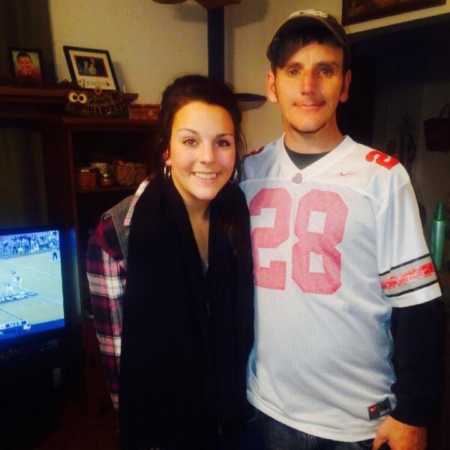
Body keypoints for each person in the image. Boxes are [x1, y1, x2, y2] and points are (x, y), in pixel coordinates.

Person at [239, 9, 442, 450]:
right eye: (294, 71)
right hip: (264, 410)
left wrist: (414, 411)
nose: (308, 86)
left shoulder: (384, 178)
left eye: (324, 70)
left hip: (356, 424)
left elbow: (418, 305)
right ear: (272, 85)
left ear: (345, 85)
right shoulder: (247, 172)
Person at [86, 74, 254, 450]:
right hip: (162, 435)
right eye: (190, 141)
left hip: (237, 424)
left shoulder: (238, 216)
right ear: (167, 149)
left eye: (222, 142)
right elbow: (120, 372)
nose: (208, 158)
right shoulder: (116, 233)